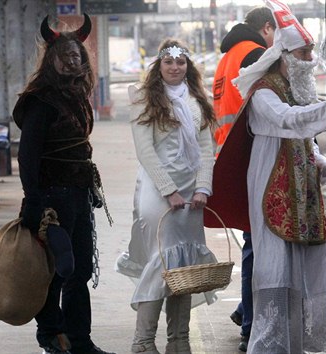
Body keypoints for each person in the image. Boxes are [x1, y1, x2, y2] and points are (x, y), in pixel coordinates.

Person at [206, 0, 326, 352]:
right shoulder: (263, 92)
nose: (310, 61)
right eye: (304, 53)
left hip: (300, 195)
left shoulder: (294, 89)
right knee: (276, 272)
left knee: (303, 270)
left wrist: (321, 162)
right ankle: (271, 345)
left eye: (310, 53)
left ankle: (298, 343)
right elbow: (291, 121)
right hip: (272, 194)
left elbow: (304, 142)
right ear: (285, 55)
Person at [13, 14, 114, 354]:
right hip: (52, 197)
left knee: (80, 269)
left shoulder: (76, 96)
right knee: (57, 269)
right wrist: (34, 201)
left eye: (77, 57)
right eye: (65, 57)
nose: (72, 61)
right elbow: (28, 155)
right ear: (51, 61)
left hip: (79, 193)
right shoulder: (40, 101)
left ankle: (79, 340)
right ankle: (52, 337)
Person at [121, 38, 217, 354]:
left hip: (191, 194)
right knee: (158, 261)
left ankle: (179, 341)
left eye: (180, 62)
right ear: (158, 66)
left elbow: (206, 148)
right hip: (156, 190)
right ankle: (143, 342)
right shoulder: (143, 99)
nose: (175, 68)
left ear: (188, 67)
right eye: (168, 62)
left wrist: (203, 187)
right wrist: (169, 190)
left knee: (184, 268)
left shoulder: (197, 100)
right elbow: (145, 150)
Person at [211, 6, 275, 352]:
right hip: (253, 158)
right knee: (258, 248)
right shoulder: (256, 54)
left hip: (232, 157)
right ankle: (251, 325)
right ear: (267, 28)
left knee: (254, 244)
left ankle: (243, 311)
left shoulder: (227, 58)